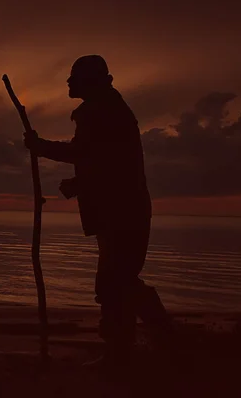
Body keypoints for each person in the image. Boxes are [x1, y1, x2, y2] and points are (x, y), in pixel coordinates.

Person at [24, 55, 172, 370]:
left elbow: (87, 153)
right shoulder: (110, 109)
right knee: (120, 280)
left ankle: (129, 350)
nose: (68, 82)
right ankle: (152, 340)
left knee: (114, 282)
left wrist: (41, 147)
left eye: (74, 77)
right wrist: (81, 182)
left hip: (120, 212)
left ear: (89, 82)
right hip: (124, 209)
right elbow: (109, 162)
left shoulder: (100, 111)